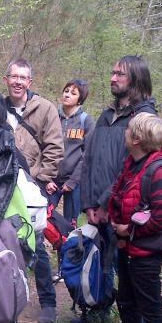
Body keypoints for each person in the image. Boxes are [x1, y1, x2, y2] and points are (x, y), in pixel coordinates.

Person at [76, 55, 157, 323]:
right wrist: (89, 202)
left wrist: (104, 203)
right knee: (100, 260)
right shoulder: (106, 116)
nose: (113, 78)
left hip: (124, 209)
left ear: (136, 79)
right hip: (97, 208)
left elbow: (133, 169)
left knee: (126, 270)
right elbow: (89, 159)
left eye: (120, 74)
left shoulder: (144, 118)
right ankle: (99, 309)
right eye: (112, 73)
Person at [99, 114, 162, 323]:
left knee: (150, 308)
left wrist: (126, 230)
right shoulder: (133, 163)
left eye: (129, 129)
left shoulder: (160, 171)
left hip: (145, 251)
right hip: (126, 247)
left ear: (137, 138)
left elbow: (160, 219)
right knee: (127, 299)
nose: (125, 132)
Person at [1, 59, 64, 323]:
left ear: (30, 82)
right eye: (13, 76)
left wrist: (35, 178)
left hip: (33, 189)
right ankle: (8, 305)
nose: (17, 81)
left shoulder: (45, 109)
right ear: (6, 80)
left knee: (36, 245)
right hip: (3, 187)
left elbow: (55, 148)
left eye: (22, 77)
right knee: (5, 245)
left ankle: (48, 302)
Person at [47, 78, 93, 226]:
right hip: (52, 179)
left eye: (73, 93)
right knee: (43, 217)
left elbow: (88, 154)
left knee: (72, 223)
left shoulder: (86, 121)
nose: (67, 95)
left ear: (80, 100)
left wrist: (73, 181)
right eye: (66, 91)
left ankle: (68, 249)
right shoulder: (52, 116)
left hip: (74, 182)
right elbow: (44, 146)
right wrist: (47, 178)